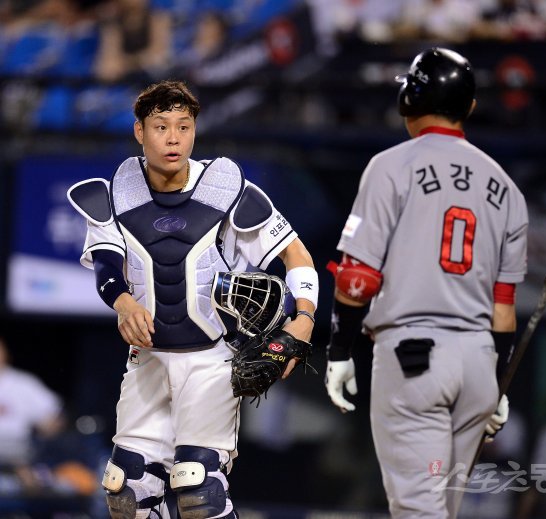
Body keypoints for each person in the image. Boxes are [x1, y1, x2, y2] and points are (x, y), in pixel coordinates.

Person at [67, 80, 318, 518]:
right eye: (161, 126)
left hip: (211, 358)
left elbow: (297, 255)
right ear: (139, 131)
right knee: (127, 493)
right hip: (148, 359)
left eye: (183, 127)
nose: (174, 138)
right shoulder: (114, 193)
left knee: (199, 491)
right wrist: (124, 302)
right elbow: (107, 265)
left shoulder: (226, 189)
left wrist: (304, 319)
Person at [323, 47, 528, 518]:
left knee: (418, 510)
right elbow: (503, 310)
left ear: (409, 99)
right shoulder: (507, 188)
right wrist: (496, 383)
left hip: (414, 362)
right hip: (477, 366)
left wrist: (339, 350)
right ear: (469, 107)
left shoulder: (390, 165)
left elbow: (357, 278)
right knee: (442, 511)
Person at [0, 336, 63, 467]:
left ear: (6, 353)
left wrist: (47, 432)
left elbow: (52, 419)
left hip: (16, 450)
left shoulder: (23, 383)